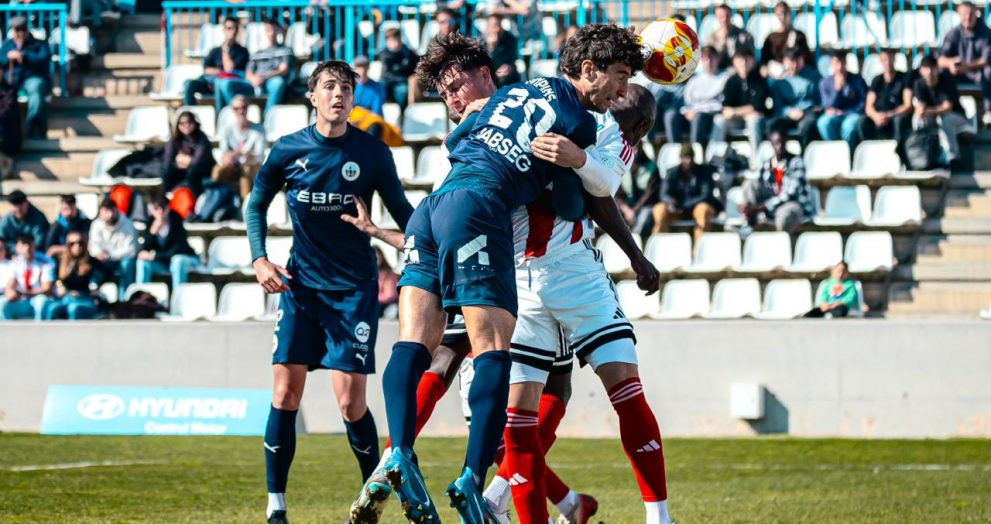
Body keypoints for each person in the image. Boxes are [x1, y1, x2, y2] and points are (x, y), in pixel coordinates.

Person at [347, 30, 666, 524]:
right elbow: (586, 192)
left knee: (435, 353)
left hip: (462, 227)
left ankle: (407, 462)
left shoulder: (510, 108)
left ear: (485, 75)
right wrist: (576, 166)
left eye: (457, 86)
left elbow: (593, 182)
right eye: (444, 92)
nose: (453, 99)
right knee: (496, 367)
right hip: (499, 247)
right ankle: (471, 482)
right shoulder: (570, 116)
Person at [245, 60, 414, 524]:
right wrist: (259, 259)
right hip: (300, 288)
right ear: (312, 96)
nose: (338, 94)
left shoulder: (372, 153)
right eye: (329, 87)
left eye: (345, 88)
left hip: (353, 290)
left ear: (353, 99)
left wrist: (415, 237)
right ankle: (276, 507)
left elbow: (404, 214)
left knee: (350, 403)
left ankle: (370, 502)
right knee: (285, 393)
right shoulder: (288, 149)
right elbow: (256, 203)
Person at [740, 127, 816, 233]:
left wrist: (764, 206)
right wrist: (749, 206)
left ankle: (783, 240)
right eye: (776, 143)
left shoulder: (796, 162)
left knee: (785, 216)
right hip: (770, 206)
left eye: (782, 143)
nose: (779, 146)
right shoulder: (767, 165)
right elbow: (759, 187)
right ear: (771, 144)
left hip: (792, 205)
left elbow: (791, 194)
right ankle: (748, 223)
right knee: (749, 184)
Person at [218, 19, 293, 115]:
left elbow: (283, 69)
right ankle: (236, 116)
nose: (271, 32)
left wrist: (264, 77)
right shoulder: (257, 53)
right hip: (254, 83)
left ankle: (268, 117)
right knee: (225, 83)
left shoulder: (285, 50)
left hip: (270, 81)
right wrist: (253, 79)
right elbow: (248, 72)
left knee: (278, 82)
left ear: (278, 31)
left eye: (274, 29)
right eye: (268, 30)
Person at [651, 142, 721, 245]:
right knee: (659, 209)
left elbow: (706, 195)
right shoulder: (672, 172)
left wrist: (686, 205)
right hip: (676, 210)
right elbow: (663, 194)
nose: (688, 161)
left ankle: (699, 249)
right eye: (685, 157)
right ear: (680, 158)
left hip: (696, 207)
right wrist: (671, 202)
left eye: (690, 157)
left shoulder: (704, 171)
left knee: (703, 210)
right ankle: (657, 246)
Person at [913, 55, 974, 167]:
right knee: (919, 120)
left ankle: (953, 157)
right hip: (936, 118)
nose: (929, 72)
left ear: (937, 69)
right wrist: (921, 111)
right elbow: (920, 108)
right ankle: (925, 155)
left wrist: (928, 111)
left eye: (932, 67)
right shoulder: (919, 84)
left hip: (959, 119)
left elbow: (947, 107)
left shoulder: (946, 80)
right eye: (926, 68)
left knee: (946, 119)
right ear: (921, 70)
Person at [0, 16, 53, 138]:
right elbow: (1, 59)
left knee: (35, 88)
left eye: (22, 29)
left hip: (32, 78)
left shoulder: (39, 44)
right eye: (17, 30)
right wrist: (8, 57)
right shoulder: (7, 45)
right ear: (12, 31)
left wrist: (24, 55)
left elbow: (43, 58)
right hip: (12, 81)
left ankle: (34, 126)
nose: (19, 33)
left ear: (26, 29)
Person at [134, 195, 200, 293]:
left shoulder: (176, 219)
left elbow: (178, 249)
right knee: (142, 263)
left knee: (177, 261)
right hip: (163, 262)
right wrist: (152, 233)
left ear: (168, 208)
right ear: (151, 210)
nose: (160, 211)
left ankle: (178, 296)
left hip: (185, 259)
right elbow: (145, 248)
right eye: (156, 208)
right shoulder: (151, 221)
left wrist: (155, 256)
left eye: (163, 208)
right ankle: (141, 297)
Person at [713, 49, 770, 161]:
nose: (743, 63)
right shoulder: (730, 81)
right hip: (736, 121)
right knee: (719, 120)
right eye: (740, 59)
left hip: (755, 122)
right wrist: (744, 112)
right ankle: (715, 159)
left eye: (747, 59)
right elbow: (725, 109)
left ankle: (756, 161)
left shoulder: (759, 80)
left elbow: (758, 107)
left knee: (753, 119)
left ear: (753, 61)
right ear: (734, 62)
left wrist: (735, 112)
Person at [183, 17, 250, 108]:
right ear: (224, 30)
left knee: (219, 83)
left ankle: (220, 115)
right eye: (229, 28)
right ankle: (190, 113)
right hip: (210, 84)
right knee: (189, 83)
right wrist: (221, 71)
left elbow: (229, 69)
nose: (233, 31)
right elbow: (206, 70)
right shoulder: (215, 51)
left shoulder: (243, 51)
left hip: (227, 85)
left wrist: (225, 50)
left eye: (235, 28)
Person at [938, 1, 991, 113]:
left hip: (979, 74)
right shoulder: (953, 34)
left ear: (976, 14)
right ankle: (949, 109)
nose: (968, 17)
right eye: (964, 14)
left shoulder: (986, 33)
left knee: (989, 71)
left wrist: (966, 66)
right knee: (942, 73)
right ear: (959, 15)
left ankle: (989, 111)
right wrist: (951, 63)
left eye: (971, 14)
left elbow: (986, 60)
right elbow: (940, 60)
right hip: (958, 74)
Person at [43, 230, 108, 321]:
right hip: (67, 299)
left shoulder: (92, 262)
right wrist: (59, 286)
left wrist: (97, 288)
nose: (77, 246)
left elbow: (108, 275)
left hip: (86, 299)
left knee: (74, 309)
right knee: (53, 308)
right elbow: (57, 280)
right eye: (72, 244)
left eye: (80, 243)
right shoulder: (62, 262)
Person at [215, 95, 266, 200]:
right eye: (236, 108)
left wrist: (235, 154)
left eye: (243, 107)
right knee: (217, 170)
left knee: (246, 170)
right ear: (232, 110)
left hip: (251, 166)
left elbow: (259, 157)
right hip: (233, 164)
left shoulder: (259, 129)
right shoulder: (226, 129)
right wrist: (241, 154)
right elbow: (224, 154)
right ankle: (214, 197)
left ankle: (244, 203)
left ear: (248, 108)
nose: (240, 111)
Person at [858, 48, 912, 146]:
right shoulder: (876, 80)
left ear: (894, 59)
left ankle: (898, 149)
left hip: (895, 115)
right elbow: (868, 107)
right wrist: (875, 116)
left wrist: (889, 115)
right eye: (884, 60)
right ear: (880, 61)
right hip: (879, 117)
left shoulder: (904, 78)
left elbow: (908, 105)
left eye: (890, 59)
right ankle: (868, 148)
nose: (888, 63)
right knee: (862, 121)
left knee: (899, 121)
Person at [768, 47, 820, 148]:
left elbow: (820, 100)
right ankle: (779, 154)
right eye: (791, 61)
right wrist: (789, 111)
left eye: (797, 60)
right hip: (788, 114)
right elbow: (778, 107)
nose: (795, 65)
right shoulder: (780, 81)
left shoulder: (814, 76)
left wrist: (810, 109)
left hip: (808, 112)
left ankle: (805, 154)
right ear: (784, 62)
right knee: (772, 125)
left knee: (807, 125)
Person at [88, 198, 138, 301]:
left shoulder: (127, 223)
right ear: (101, 212)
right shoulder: (96, 224)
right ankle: (95, 296)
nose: (110, 215)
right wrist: (98, 253)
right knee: (91, 263)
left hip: (121, 260)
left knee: (127, 264)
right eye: (106, 211)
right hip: (104, 261)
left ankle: (124, 299)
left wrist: (111, 255)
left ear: (116, 209)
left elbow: (131, 250)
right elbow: (93, 245)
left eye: (111, 210)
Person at [817, 50, 867, 149]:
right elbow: (827, 105)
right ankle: (835, 150)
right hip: (835, 115)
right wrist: (837, 90)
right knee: (823, 123)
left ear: (846, 63)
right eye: (836, 63)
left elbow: (863, 103)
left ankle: (849, 152)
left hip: (852, 113)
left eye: (842, 62)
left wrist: (845, 112)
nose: (839, 67)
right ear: (831, 64)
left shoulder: (857, 80)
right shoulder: (825, 83)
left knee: (848, 126)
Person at [680, 45, 728, 149]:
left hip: (712, 114)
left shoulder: (725, 78)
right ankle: (677, 150)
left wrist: (697, 111)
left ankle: (695, 151)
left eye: (712, 58)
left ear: (718, 59)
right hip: (692, 114)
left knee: (699, 118)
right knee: (671, 116)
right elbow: (687, 102)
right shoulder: (694, 80)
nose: (709, 61)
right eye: (705, 58)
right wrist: (688, 111)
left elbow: (722, 103)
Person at [163, 111, 217, 196]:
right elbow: (168, 159)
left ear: (195, 123)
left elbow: (197, 162)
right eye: (182, 123)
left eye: (189, 122)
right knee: (167, 171)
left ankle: (195, 198)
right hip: (181, 170)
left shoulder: (202, 139)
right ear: (178, 126)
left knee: (192, 172)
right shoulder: (175, 139)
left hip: (202, 171)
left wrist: (181, 160)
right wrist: (178, 163)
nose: (186, 125)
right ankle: (167, 197)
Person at [1, 235, 53, 321]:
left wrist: (26, 293)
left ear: (34, 246)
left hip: (37, 298)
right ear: (16, 248)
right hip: (21, 301)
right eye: (23, 245)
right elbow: (10, 283)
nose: (27, 248)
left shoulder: (45, 262)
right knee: (2, 303)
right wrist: (10, 292)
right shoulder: (14, 263)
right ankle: (8, 329)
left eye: (30, 244)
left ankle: (40, 328)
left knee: (41, 302)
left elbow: (46, 288)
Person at [616, 143, 661, 234]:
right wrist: (626, 210)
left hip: (645, 206)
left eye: (635, 148)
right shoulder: (620, 167)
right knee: (613, 212)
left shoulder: (652, 168)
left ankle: (635, 239)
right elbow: (616, 193)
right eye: (631, 149)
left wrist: (633, 212)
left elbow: (648, 195)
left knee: (643, 217)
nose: (634, 152)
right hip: (626, 206)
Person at [761, 1, 812, 78]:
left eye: (785, 13)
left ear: (790, 14)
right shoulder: (771, 38)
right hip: (776, 74)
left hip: (796, 72)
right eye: (779, 14)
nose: (782, 17)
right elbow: (764, 61)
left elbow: (807, 58)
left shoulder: (799, 35)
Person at [376, 27, 418, 111]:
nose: (393, 43)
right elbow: (386, 74)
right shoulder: (384, 54)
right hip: (387, 83)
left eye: (395, 39)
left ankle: (402, 113)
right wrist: (403, 79)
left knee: (403, 90)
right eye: (390, 40)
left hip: (402, 83)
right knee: (378, 90)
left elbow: (413, 69)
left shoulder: (408, 53)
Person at [705, 4, 755, 69]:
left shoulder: (745, 36)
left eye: (727, 15)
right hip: (717, 71)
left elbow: (751, 57)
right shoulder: (711, 38)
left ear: (731, 15)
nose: (724, 19)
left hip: (738, 71)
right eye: (721, 16)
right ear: (716, 16)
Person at [45, 194, 92, 259]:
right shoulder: (56, 226)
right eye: (66, 209)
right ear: (61, 210)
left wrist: (59, 248)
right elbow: (49, 249)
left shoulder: (84, 223)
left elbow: (86, 244)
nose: (69, 212)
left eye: (72, 209)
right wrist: (67, 249)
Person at [485, 14, 521, 88]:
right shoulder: (482, 42)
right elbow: (485, 63)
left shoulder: (510, 38)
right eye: (494, 26)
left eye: (498, 25)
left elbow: (512, 57)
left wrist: (509, 66)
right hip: (491, 76)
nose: (497, 29)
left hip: (508, 75)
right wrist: (491, 47)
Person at [376, 247, 399, 319]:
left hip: (386, 305)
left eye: (377, 257)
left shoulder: (388, 273)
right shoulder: (368, 273)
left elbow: (389, 295)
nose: (376, 260)